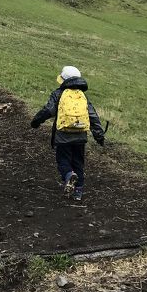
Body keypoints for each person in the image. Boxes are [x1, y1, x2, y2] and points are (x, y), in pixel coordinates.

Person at [31, 65, 105, 201]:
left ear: (63, 80)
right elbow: (92, 115)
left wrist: (36, 121)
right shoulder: (82, 96)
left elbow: (48, 110)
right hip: (81, 135)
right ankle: (78, 191)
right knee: (78, 162)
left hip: (63, 135)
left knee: (63, 160)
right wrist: (98, 134)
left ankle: (69, 175)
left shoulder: (58, 94)